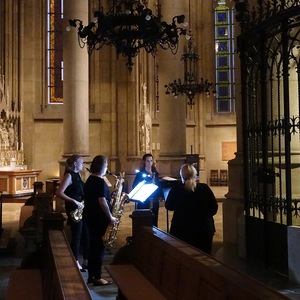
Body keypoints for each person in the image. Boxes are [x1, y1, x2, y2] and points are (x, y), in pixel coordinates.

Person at [165, 164, 218, 254]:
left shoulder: (177, 189)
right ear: (195, 175)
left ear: (181, 175)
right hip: (203, 230)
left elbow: (169, 206)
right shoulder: (204, 188)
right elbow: (214, 208)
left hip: (181, 229)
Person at [84, 155, 117, 286]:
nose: (107, 168)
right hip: (99, 219)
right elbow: (102, 201)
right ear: (102, 166)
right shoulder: (99, 182)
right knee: (99, 248)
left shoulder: (90, 180)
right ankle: (97, 277)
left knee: (93, 247)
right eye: (106, 165)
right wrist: (110, 217)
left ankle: (92, 275)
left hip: (91, 217)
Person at [55, 155, 86, 271]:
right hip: (73, 209)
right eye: (81, 162)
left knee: (83, 234)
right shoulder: (69, 175)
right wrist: (74, 201)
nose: (83, 164)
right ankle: (74, 261)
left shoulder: (77, 175)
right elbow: (59, 193)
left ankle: (83, 260)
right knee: (76, 236)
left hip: (80, 207)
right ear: (75, 164)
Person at [132, 153, 164, 227]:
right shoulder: (140, 174)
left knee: (154, 221)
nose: (150, 163)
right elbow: (135, 186)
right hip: (144, 201)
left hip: (154, 201)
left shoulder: (155, 174)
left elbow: (159, 186)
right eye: (148, 161)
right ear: (144, 162)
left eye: (151, 161)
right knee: (144, 221)